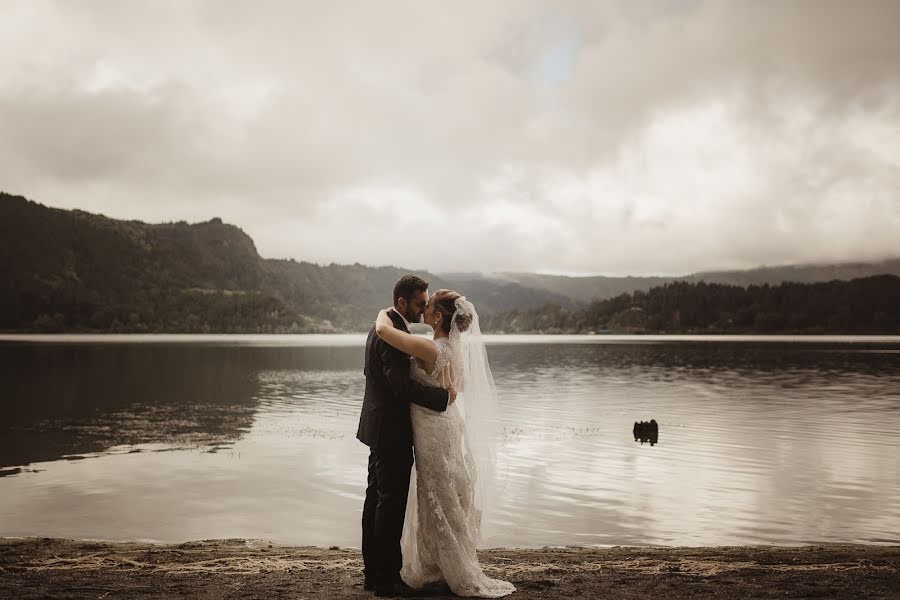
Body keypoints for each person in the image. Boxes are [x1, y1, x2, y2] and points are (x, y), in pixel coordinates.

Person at [374, 288, 515, 598]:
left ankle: (448, 566)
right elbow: (459, 385)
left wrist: (383, 315)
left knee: (437, 494)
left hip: (432, 431)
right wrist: (444, 387)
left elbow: (384, 332)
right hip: (447, 424)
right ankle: (442, 563)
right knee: (446, 493)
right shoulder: (454, 347)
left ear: (438, 317)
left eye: (429, 307)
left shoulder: (431, 349)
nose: (423, 310)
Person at [357, 275, 457, 597]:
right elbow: (401, 387)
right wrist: (441, 399)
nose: (423, 308)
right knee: (390, 504)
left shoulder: (385, 325)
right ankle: (387, 580)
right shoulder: (392, 333)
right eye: (419, 303)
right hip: (391, 431)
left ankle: (374, 573)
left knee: (376, 500)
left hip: (378, 426)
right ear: (402, 302)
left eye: (426, 303)